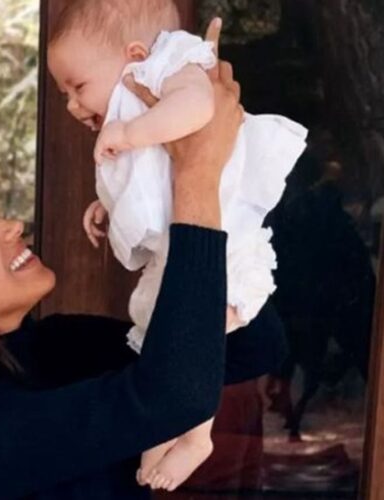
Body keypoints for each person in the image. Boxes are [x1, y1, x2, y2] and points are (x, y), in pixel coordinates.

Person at [0, 23, 287, 499]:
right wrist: (196, 175)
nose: (12, 226)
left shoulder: (52, 348)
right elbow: (173, 396)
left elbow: (253, 346)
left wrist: (188, 181)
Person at [46, 0, 306, 489]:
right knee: (165, 334)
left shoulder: (174, 64)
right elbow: (152, 179)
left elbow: (199, 107)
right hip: (184, 242)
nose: (73, 106)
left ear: (136, 53)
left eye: (78, 87)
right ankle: (167, 428)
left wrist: (129, 131)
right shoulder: (139, 104)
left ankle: (196, 434)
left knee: (195, 334)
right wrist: (107, 204)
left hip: (223, 240)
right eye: (64, 93)